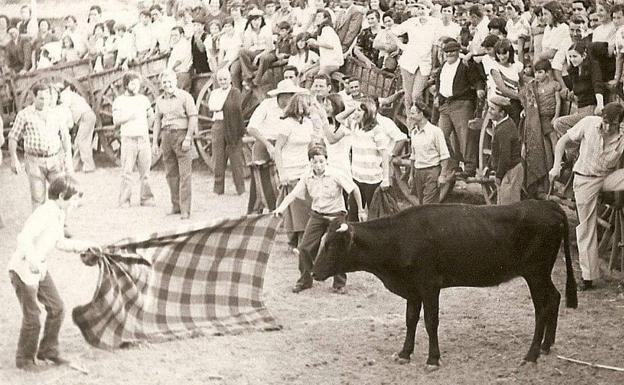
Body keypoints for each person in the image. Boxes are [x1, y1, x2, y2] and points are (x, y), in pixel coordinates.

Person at [8, 176, 98, 372]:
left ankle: (48, 350)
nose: (76, 203)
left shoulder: (58, 213)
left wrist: (85, 245)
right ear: (61, 196)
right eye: (73, 199)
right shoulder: (44, 213)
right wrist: (33, 262)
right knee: (32, 317)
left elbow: (60, 242)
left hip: (39, 268)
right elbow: (23, 238)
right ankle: (24, 360)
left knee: (57, 308)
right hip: (23, 270)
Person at [549, 102, 624, 291]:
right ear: (602, 117)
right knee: (587, 227)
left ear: (619, 124)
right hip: (585, 179)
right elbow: (562, 142)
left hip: (607, 178)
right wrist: (557, 165)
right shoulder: (589, 123)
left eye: (613, 124)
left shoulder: (622, 137)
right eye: (606, 122)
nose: (608, 127)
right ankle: (588, 277)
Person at [274, 145, 366, 294]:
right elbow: (292, 195)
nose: (318, 166)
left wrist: (361, 210)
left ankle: (339, 283)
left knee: (337, 247)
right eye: (315, 162)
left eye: (321, 161)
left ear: (326, 161)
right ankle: (305, 280)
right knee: (304, 248)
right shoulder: (307, 176)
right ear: (310, 162)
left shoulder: (336, 174)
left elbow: (354, 189)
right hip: (317, 215)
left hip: (336, 216)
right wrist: (280, 208)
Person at [8, 84, 72, 210]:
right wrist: (14, 158)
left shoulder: (56, 114)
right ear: (34, 97)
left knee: (61, 193)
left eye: (47, 98)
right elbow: (13, 137)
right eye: (41, 98)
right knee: (38, 198)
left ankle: (61, 226)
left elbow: (65, 136)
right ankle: (39, 227)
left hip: (54, 159)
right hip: (34, 162)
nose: (45, 101)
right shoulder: (24, 115)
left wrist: (67, 156)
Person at [434, 39, 484, 179]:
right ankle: (452, 163)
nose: (449, 54)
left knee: (465, 136)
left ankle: (469, 168)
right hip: (446, 105)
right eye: (447, 52)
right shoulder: (444, 66)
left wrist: (479, 89)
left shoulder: (464, 65)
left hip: (461, 103)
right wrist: (438, 95)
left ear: (458, 52)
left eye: (452, 52)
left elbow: (477, 79)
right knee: (441, 135)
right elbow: (439, 82)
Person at [274, 92, 317, 254]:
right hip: (290, 167)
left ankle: (304, 240)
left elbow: (311, 145)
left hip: (305, 167)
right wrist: (282, 172)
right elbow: (278, 149)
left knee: (307, 204)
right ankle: (295, 241)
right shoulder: (287, 124)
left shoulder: (307, 123)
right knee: (295, 206)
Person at [152, 70, 199, 220]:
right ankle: (176, 206)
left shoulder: (185, 97)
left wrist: (188, 138)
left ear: (175, 81)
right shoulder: (160, 100)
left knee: (185, 174)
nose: (167, 85)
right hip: (166, 136)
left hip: (181, 135)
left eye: (170, 81)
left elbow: (193, 117)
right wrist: (154, 142)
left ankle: (185, 210)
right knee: (170, 173)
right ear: (162, 84)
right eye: (164, 82)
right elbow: (158, 121)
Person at [112, 72, 155, 208]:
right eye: (132, 83)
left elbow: (151, 116)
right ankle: (125, 200)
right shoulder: (119, 101)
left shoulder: (144, 99)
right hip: (128, 140)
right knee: (127, 172)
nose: (136, 86)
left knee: (145, 172)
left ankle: (146, 198)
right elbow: (116, 120)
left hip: (143, 140)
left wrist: (146, 128)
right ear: (126, 85)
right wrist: (129, 117)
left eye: (137, 83)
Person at [521, 59, 560, 197]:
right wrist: (526, 110)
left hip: (549, 117)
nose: (537, 75)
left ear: (548, 73)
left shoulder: (554, 85)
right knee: (546, 136)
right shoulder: (534, 87)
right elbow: (529, 101)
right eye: (536, 72)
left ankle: (558, 160)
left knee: (553, 137)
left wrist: (556, 116)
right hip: (539, 117)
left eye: (540, 72)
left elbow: (558, 102)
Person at [553, 42, 604, 138]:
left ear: (584, 55)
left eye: (575, 56)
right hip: (580, 109)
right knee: (570, 131)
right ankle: (576, 150)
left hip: (591, 109)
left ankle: (575, 150)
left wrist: (600, 104)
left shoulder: (593, 66)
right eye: (570, 57)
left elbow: (597, 84)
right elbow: (578, 90)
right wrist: (572, 93)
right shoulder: (574, 70)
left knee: (559, 123)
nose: (572, 59)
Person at [208, 68, 246, 195]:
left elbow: (235, 107)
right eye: (220, 80)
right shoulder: (214, 93)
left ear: (230, 79)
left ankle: (240, 189)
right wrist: (223, 107)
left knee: (236, 158)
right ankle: (218, 189)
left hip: (233, 126)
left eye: (225, 79)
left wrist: (221, 107)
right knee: (218, 158)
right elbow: (213, 107)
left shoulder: (235, 92)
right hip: (218, 126)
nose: (223, 82)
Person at [407, 99, 450, 204]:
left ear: (421, 114)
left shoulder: (435, 131)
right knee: (421, 204)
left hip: (432, 172)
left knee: (428, 206)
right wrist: (411, 175)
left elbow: (444, 156)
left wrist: (442, 175)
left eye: (412, 113)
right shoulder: (414, 133)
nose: (410, 116)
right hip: (418, 173)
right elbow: (413, 156)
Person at [487, 95, 523, 205]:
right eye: (489, 108)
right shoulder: (504, 124)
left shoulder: (504, 129)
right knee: (503, 204)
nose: (489, 111)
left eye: (493, 109)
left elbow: (505, 156)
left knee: (507, 207)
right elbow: (497, 151)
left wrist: (498, 176)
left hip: (511, 171)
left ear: (502, 113)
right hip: (509, 169)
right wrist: (489, 166)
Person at [60, 86, 97, 173]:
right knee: (78, 142)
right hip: (88, 116)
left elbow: (65, 108)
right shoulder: (74, 95)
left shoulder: (65, 94)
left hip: (85, 117)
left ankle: (89, 166)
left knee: (82, 142)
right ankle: (74, 165)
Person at [168, 26, 193, 91]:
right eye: (172, 35)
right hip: (178, 74)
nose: (173, 37)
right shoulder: (177, 45)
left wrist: (171, 69)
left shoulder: (184, 44)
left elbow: (180, 60)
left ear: (182, 35)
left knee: (179, 96)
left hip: (181, 74)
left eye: (176, 35)